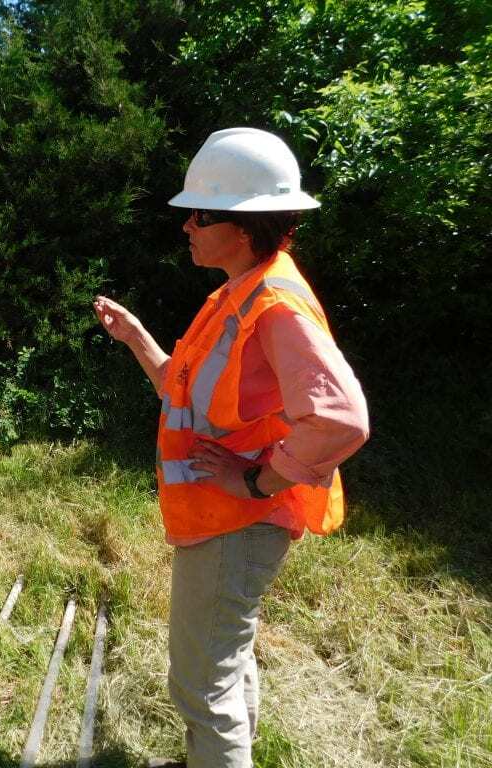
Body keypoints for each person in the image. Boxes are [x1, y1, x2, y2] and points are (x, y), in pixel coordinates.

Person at [94, 127, 369, 768]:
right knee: (225, 658)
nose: (186, 224)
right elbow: (181, 390)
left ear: (243, 227)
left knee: (199, 684)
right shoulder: (236, 293)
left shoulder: (274, 306)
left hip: (237, 522)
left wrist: (256, 482)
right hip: (219, 521)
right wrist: (138, 339)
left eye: (201, 214)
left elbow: (341, 419)